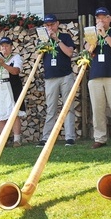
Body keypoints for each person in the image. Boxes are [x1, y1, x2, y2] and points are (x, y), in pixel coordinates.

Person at [86, 7, 111, 149]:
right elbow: (88, 50)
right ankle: (100, 137)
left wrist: (105, 35)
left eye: (104, 17)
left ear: (109, 19)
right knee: (97, 108)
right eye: (98, 18)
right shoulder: (92, 33)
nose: (101, 20)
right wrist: (96, 36)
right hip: (95, 75)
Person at [37, 14, 77, 148]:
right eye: (47, 25)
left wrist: (57, 39)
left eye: (52, 25)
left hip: (65, 75)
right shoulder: (43, 39)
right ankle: (46, 137)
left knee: (68, 107)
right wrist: (45, 42)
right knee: (51, 109)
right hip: (50, 77)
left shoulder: (65, 37)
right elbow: (39, 55)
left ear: (57, 24)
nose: (50, 27)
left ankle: (70, 137)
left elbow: (70, 53)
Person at [0, 37, 24, 148]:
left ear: (11, 47)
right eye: (2, 46)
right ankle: (3, 140)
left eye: (7, 46)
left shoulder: (16, 57)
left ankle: (17, 139)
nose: (4, 48)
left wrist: (3, 64)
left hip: (11, 87)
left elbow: (15, 71)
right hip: (0, 87)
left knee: (14, 113)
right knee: (0, 113)